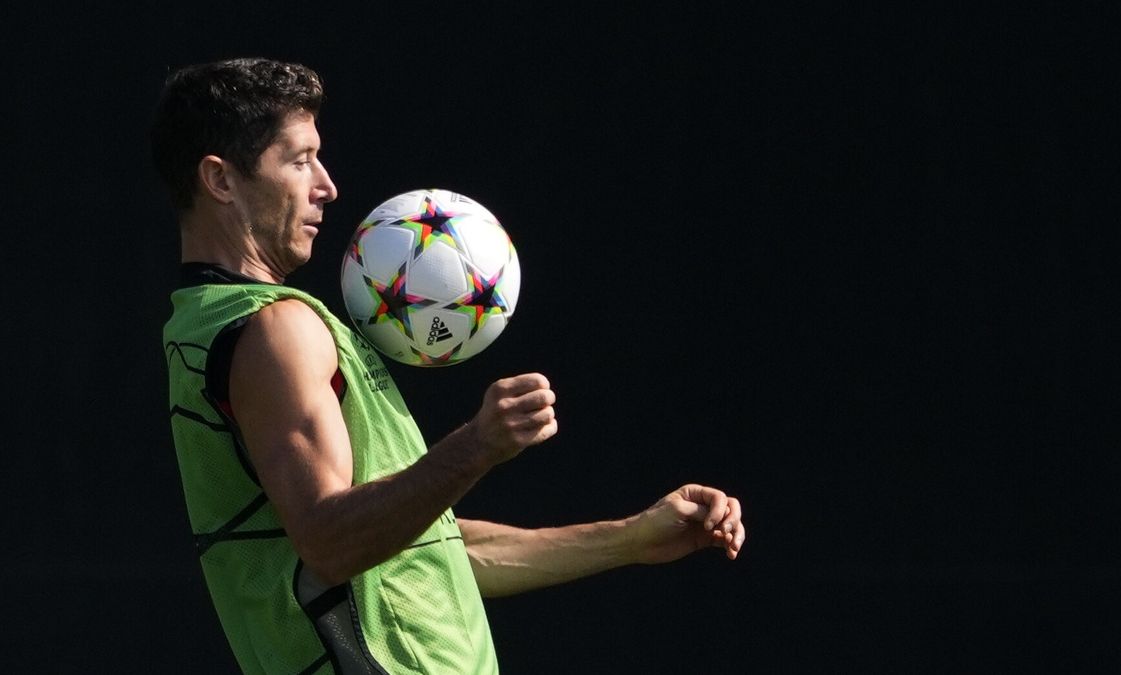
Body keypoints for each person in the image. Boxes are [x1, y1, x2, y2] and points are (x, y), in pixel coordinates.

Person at [153, 56, 746, 675]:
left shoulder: (214, 326)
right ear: (220, 180)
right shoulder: (274, 328)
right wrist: (478, 445)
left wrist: (627, 539)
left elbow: (421, 545)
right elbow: (331, 541)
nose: (326, 185)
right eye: (298, 159)